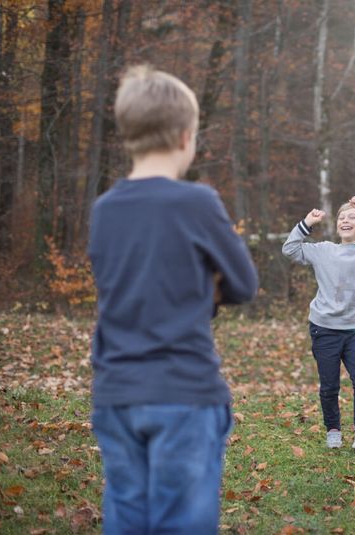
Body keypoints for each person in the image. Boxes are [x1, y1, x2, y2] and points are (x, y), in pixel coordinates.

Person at [88, 65, 258, 534]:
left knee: (126, 517)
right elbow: (244, 283)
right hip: (184, 390)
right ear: (187, 137)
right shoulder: (198, 203)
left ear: (127, 135)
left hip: (116, 393)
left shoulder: (103, 210)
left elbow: (122, 284)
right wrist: (205, 288)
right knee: (182, 523)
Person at [282, 196, 355, 449]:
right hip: (323, 328)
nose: (345, 220)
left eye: (352, 217)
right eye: (341, 218)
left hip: (354, 329)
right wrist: (307, 223)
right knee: (330, 384)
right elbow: (289, 249)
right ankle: (333, 429)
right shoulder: (323, 250)